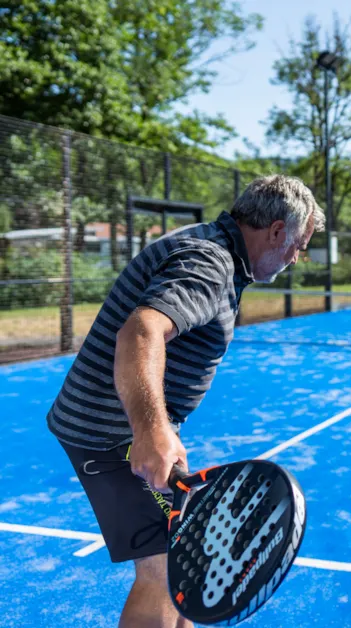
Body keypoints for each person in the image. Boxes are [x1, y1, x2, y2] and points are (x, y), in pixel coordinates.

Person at [46, 175, 323, 628]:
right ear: (276, 230)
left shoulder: (214, 249)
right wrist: (151, 430)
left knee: (184, 562)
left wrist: (158, 427)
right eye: (300, 244)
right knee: (162, 573)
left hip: (121, 424)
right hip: (109, 433)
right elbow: (142, 329)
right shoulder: (211, 262)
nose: (298, 256)